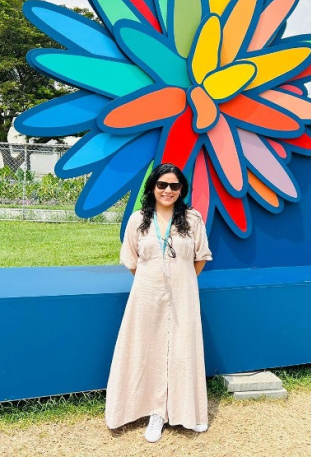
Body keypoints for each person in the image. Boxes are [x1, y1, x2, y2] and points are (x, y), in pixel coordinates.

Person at [105, 163, 212, 443]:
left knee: (182, 348)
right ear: (152, 187)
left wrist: (180, 279)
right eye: (162, 184)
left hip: (183, 293)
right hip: (146, 293)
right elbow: (131, 260)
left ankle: (186, 410)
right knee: (145, 349)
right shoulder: (137, 220)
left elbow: (200, 257)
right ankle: (154, 412)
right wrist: (153, 278)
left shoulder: (193, 219)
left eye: (174, 186)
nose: (168, 190)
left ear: (182, 190)